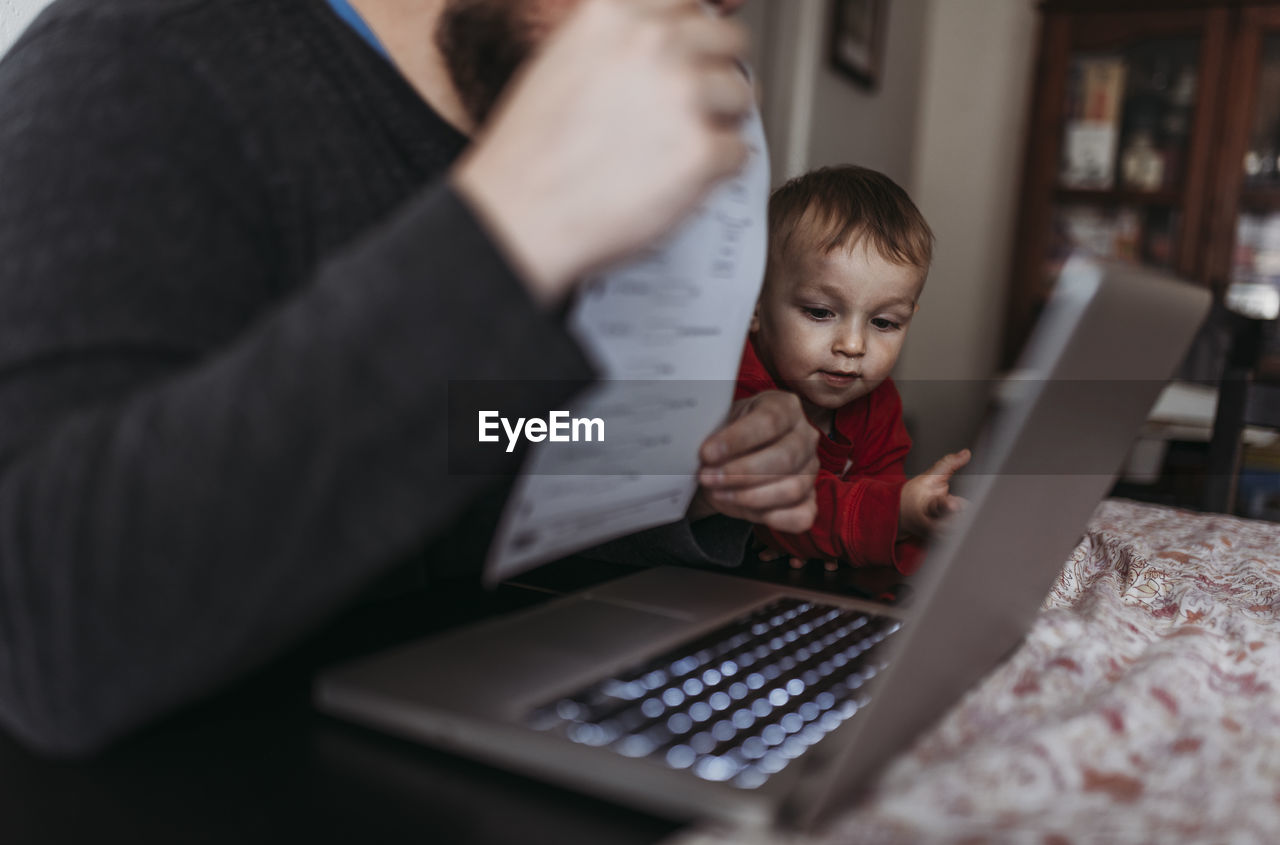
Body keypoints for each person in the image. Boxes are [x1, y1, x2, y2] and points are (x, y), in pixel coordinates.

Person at [0, 0, 819, 756]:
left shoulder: (503, 108)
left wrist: (683, 471)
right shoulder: (137, 59)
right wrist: (507, 228)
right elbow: (50, 634)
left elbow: (471, 438)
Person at [733, 165, 969, 574]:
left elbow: (882, 494)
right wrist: (896, 514)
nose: (853, 346)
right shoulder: (742, 393)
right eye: (821, 312)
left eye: (884, 323)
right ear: (755, 305)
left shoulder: (877, 401)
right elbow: (786, 509)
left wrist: (924, 518)